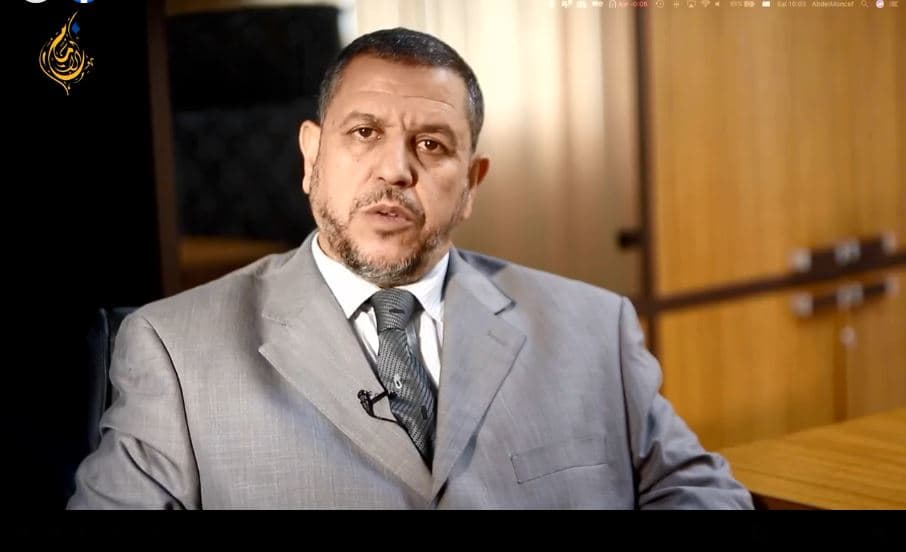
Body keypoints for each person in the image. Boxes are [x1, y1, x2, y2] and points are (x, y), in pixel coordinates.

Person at [68, 27, 753, 509]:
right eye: (364, 133)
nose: (395, 169)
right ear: (311, 158)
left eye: (431, 145)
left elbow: (694, 490)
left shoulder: (592, 327)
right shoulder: (175, 348)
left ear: (472, 183)